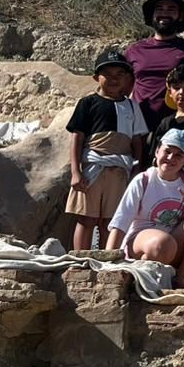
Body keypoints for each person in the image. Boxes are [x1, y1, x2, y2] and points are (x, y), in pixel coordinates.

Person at [106, 129, 184, 285]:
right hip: (141, 243)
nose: (170, 158)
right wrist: (108, 262)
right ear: (157, 151)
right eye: (167, 151)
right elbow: (120, 223)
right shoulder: (143, 180)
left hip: (173, 243)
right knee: (162, 243)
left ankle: (182, 277)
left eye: (178, 155)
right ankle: (146, 277)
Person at [65, 49, 149, 252]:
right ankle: (80, 260)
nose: (114, 79)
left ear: (128, 78)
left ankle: (106, 260)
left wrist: (136, 170)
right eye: (108, 74)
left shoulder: (131, 106)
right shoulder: (88, 103)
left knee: (110, 220)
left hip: (120, 170)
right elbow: (77, 138)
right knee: (87, 218)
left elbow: (136, 140)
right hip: (93, 167)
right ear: (96, 77)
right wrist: (76, 172)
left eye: (119, 74)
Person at [126, 0, 184, 127]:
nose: (164, 13)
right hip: (138, 127)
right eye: (159, 9)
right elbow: (123, 92)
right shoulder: (135, 50)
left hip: (180, 128)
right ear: (152, 14)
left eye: (171, 9)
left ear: (180, 15)